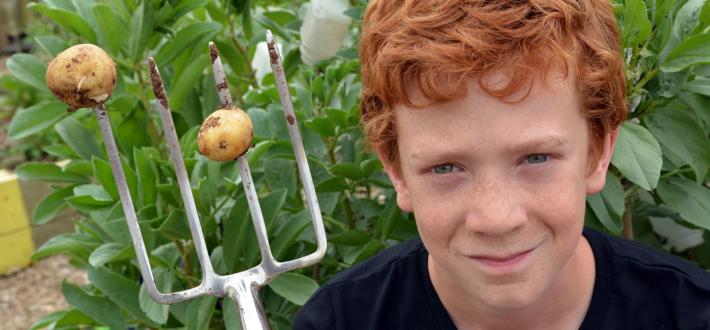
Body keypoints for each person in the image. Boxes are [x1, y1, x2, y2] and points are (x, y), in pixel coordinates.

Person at [293, 0, 710, 329]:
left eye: (536, 158)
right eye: (445, 168)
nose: (496, 219)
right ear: (396, 171)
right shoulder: (338, 320)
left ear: (598, 153)